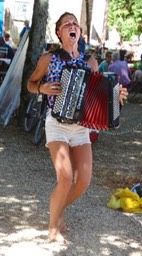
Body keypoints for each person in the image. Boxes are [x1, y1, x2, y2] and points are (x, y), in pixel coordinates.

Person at [27, 12, 128, 244]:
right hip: (57, 124)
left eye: (75, 24)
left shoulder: (89, 62)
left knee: (82, 181)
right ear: (59, 32)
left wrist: (117, 94)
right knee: (65, 178)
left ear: (79, 33)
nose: (72, 26)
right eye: (66, 24)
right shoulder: (49, 59)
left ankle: (57, 209)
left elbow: (99, 93)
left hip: (81, 127)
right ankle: (53, 226)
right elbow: (30, 83)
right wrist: (41, 89)